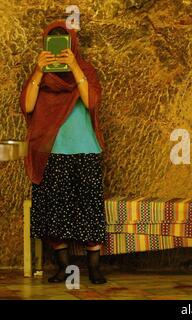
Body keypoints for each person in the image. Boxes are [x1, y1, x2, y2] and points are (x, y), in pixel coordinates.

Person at [19, 21, 107, 284]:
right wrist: (38, 70)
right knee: (54, 210)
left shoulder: (85, 70)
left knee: (88, 207)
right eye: (52, 43)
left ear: (73, 45)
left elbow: (92, 102)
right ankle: (64, 266)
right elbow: (28, 105)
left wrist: (74, 67)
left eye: (63, 44)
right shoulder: (42, 74)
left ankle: (94, 267)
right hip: (53, 151)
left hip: (85, 149)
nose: (58, 50)